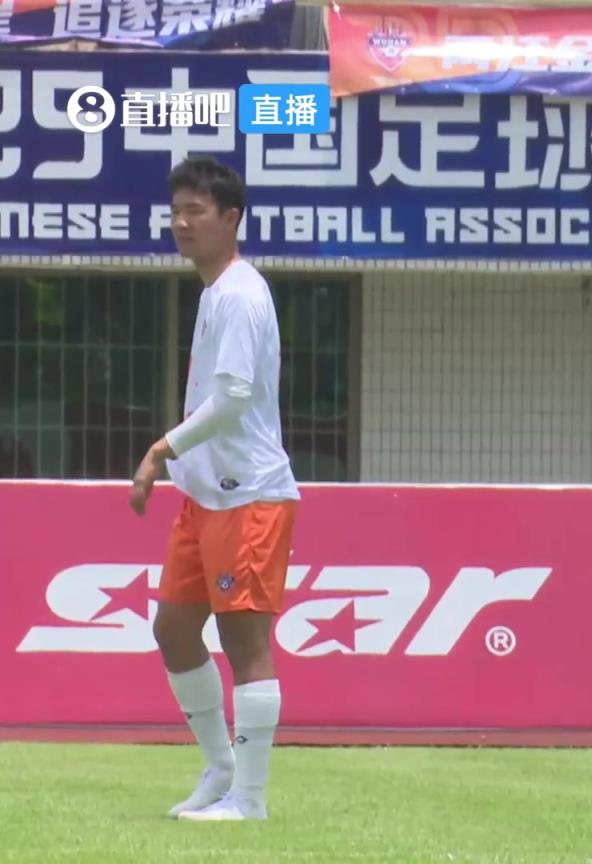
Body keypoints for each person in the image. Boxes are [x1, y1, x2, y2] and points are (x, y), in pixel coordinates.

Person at [129, 155, 299, 823]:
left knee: (245, 645)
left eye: (195, 211)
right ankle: (221, 768)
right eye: (176, 211)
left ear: (231, 218)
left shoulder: (241, 295)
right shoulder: (215, 292)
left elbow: (232, 400)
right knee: (173, 630)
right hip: (205, 496)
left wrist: (161, 448)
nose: (181, 222)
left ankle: (249, 800)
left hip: (249, 494)